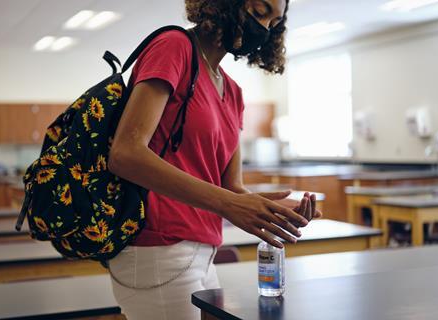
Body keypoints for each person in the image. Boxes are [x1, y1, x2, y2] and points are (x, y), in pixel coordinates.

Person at [107, 0, 320, 319]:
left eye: (274, 23)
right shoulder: (173, 47)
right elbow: (125, 154)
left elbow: (230, 187)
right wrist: (227, 204)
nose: (263, 28)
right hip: (157, 247)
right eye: (261, 11)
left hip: (205, 250)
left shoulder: (232, 91)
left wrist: (274, 211)